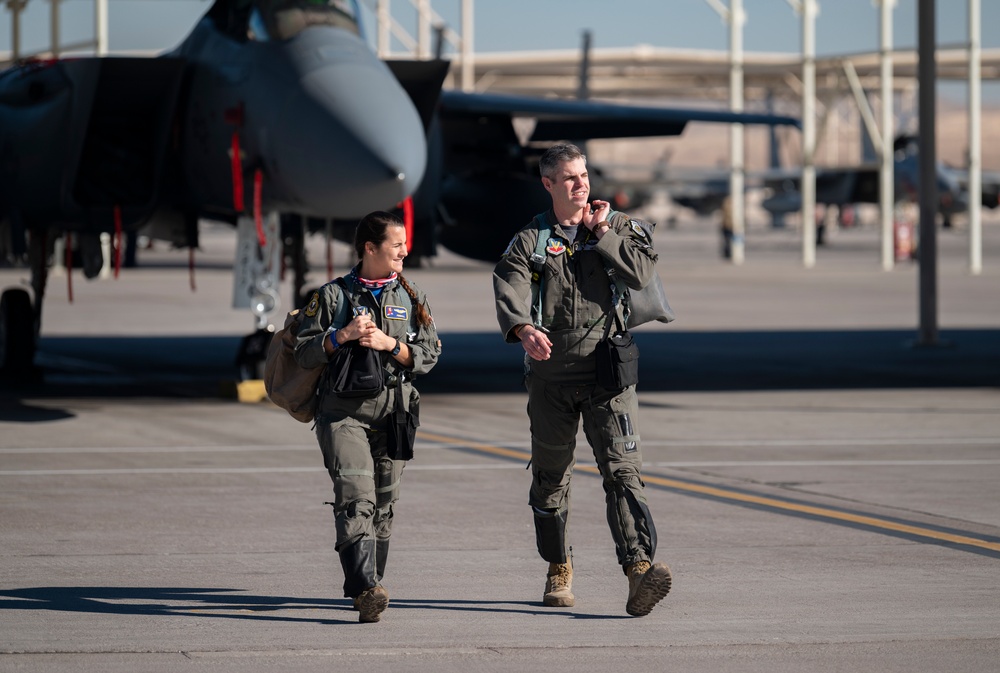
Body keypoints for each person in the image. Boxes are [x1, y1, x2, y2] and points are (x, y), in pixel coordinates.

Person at [492, 144, 672, 617]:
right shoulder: (531, 240)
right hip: (551, 380)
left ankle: (639, 570)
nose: (581, 184)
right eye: (569, 178)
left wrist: (604, 232)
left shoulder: (619, 227)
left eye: (585, 174)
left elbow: (642, 272)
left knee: (623, 473)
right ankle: (558, 565)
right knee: (550, 484)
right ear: (548, 184)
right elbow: (508, 281)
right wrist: (521, 327)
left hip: (607, 375)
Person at [293, 211, 440, 623]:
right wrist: (341, 337)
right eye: (396, 245)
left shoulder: (412, 297)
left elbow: (429, 355)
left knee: (385, 506)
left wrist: (389, 344)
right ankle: (366, 590)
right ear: (370, 249)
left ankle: (371, 581)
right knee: (357, 498)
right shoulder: (333, 296)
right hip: (344, 413)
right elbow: (302, 353)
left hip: (395, 411)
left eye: (404, 244)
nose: (404, 251)